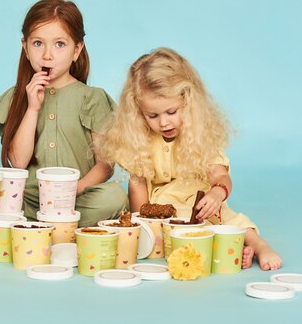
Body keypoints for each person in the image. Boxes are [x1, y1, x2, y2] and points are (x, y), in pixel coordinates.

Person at [99, 47, 282, 270]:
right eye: (153, 116)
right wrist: (143, 224)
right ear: (138, 112)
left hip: (202, 199)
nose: (164, 123)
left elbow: (220, 175)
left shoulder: (199, 133)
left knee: (227, 217)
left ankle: (258, 245)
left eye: (171, 112)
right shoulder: (138, 139)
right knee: (177, 232)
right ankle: (226, 249)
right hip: (161, 207)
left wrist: (217, 193)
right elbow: (137, 187)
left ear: (187, 101)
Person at [0, 0, 129, 227]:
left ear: (76, 50)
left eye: (59, 44)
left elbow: (105, 166)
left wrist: (73, 191)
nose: (47, 55)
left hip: (76, 199)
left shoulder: (92, 98)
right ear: (25, 48)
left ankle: (43, 228)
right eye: (38, 43)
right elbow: (18, 163)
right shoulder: (17, 97)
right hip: (29, 201)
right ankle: (52, 228)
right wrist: (32, 108)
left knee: (115, 197)